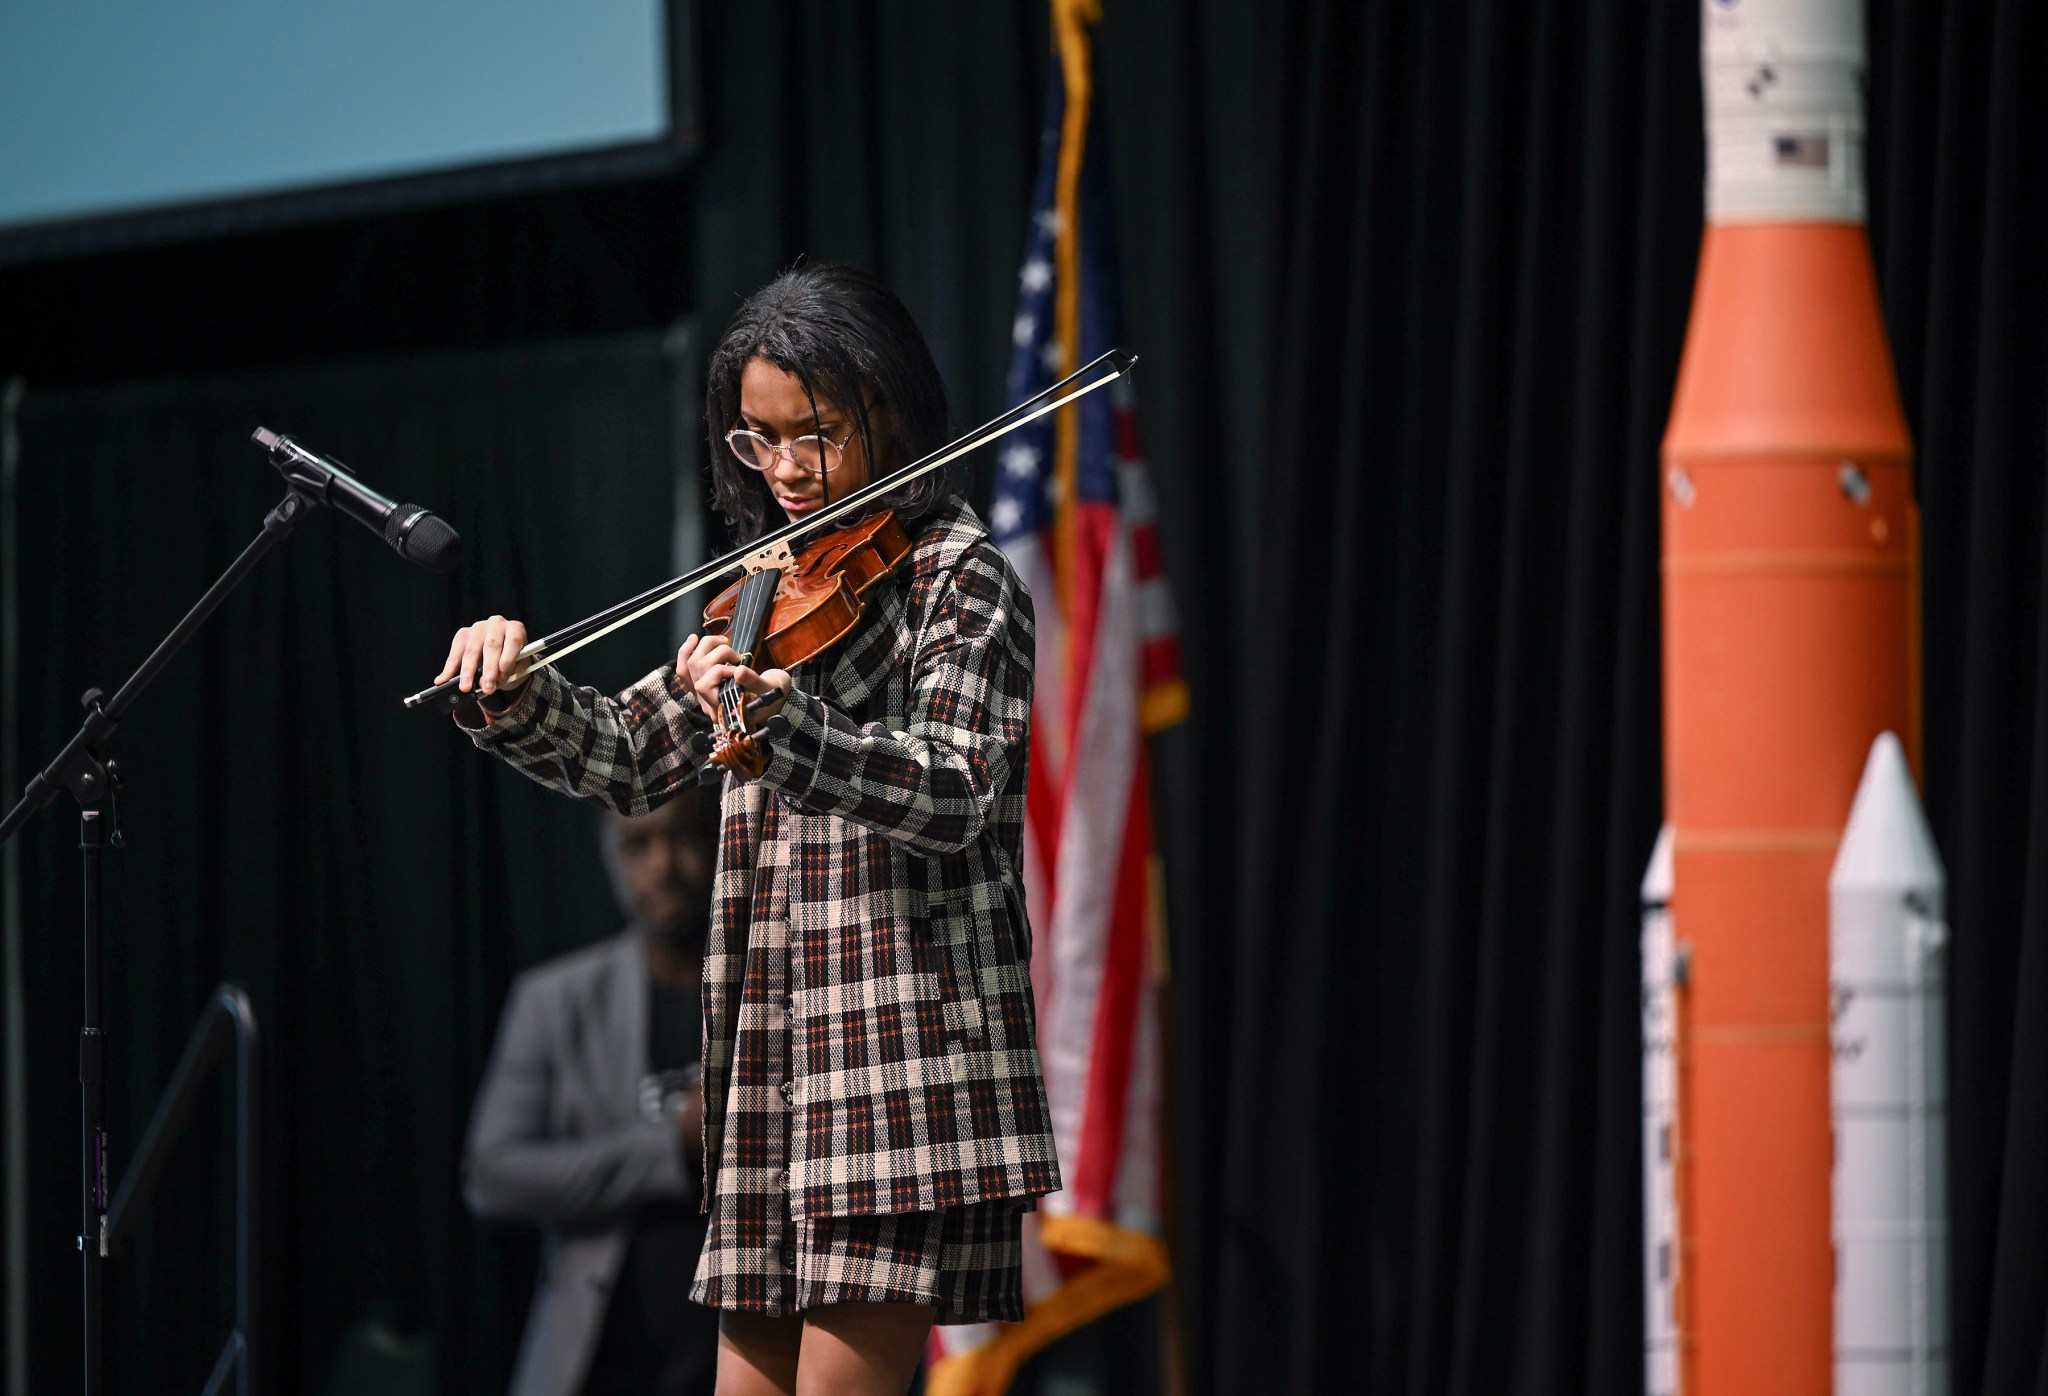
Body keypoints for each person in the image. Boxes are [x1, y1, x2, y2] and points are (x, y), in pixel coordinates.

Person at [437, 262, 1059, 1396]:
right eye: (754, 439)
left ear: (890, 411)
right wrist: (511, 696)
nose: (780, 470)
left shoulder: (960, 580)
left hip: (896, 1061)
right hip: (770, 1067)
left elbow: (959, 788)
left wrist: (786, 728)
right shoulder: (765, 584)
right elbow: (629, 757)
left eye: (809, 435)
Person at [464, 791, 724, 1396]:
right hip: (601, 1365)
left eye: (682, 838)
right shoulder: (554, 1001)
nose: (663, 865)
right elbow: (492, 1174)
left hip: (747, 1354)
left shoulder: (780, 994)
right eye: (638, 845)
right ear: (610, 859)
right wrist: (670, 1146)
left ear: (721, 845)